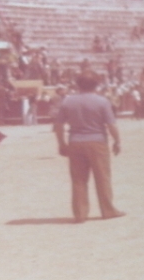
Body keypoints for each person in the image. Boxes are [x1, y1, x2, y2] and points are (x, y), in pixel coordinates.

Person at [53, 71, 124, 223]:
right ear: (96, 85)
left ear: (78, 84)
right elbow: (111, 125)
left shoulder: (68, 101)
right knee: (102, 177)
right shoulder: (102, 101)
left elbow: (58, 125)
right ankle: (108, 210)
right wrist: (117, 141)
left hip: (75, 141)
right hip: (97, 141)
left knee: (78, 179)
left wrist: (61, 143)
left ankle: (80, 213)